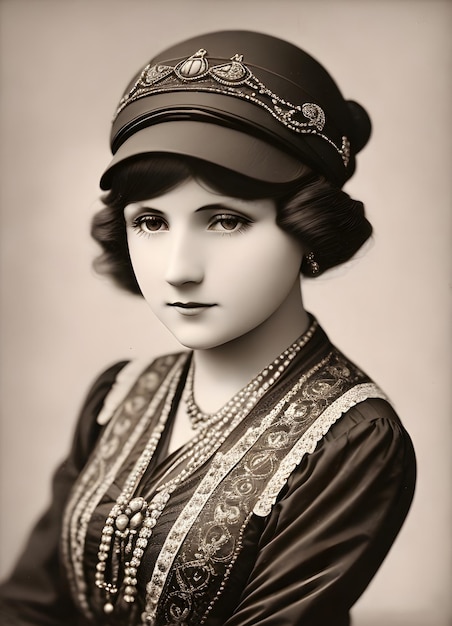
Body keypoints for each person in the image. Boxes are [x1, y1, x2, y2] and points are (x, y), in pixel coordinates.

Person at [0, 30, 416, 626]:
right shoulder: (120, 394)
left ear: (306, 227)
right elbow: (28, 604)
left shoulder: (351, 441)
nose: (178, 270)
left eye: (224, 220)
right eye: (149, 222)